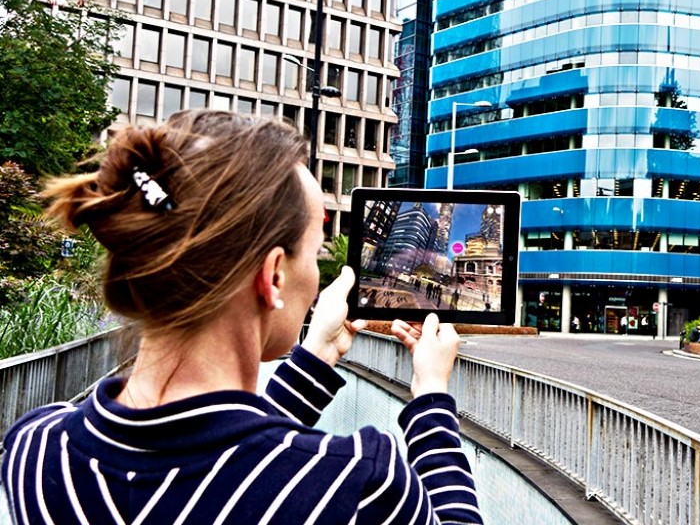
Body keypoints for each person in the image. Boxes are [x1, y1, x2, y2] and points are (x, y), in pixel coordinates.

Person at [1, 110, 482, 525]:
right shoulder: (356, 486)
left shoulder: (36, 450)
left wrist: (316, 354)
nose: (316, 274)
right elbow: (250, 474)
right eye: (314, 255)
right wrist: (433, 398)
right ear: (273, 276)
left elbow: (229, 473)